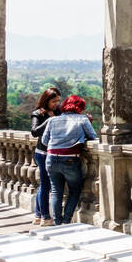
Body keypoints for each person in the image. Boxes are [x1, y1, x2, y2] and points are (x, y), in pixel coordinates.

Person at [40, 95, 97, 226]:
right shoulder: (82, 119)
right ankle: (66, 221)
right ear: (80, 108)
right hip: (70, 159)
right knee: (75, 190)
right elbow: (93, 136)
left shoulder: (53, 120)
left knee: (56, 191)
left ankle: (57, 222)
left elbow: (44, 141)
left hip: (51, 159)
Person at [30, 88, 61, 226]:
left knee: (45, 185)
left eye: (58, 101)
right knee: (45, 185)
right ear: (46, 100)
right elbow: (34, 132)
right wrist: (49, 121)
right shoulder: (37, 114)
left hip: (54, 151)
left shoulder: (59, 112)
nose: (56, 104)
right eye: (54, 101)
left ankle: (38, 215)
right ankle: (45, 216)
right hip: (42, 153)